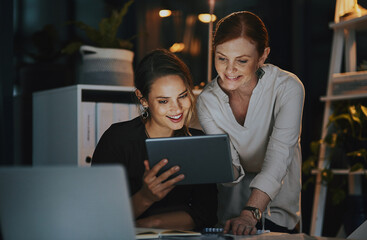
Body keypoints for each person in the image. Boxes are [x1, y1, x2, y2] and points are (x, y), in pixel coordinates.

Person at [196, 11, 305, 235]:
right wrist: (206, 164)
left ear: (262, 56)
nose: (229, 70)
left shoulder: (288, 88)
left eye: (242, 60)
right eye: (221, 58)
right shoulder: (207, 100)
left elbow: (279, 155)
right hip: (231, 213)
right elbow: (231, 169)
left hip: (279, 209)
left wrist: (250, 213)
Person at [92, 49, 218, 231]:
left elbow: (206, 214)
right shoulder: (117, 140)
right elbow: (101, 216)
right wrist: (145, 197)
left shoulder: (198, 142)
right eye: (163, 101)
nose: (177, 108)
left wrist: (147, 224)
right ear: (143, 100)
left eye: (182, 96)